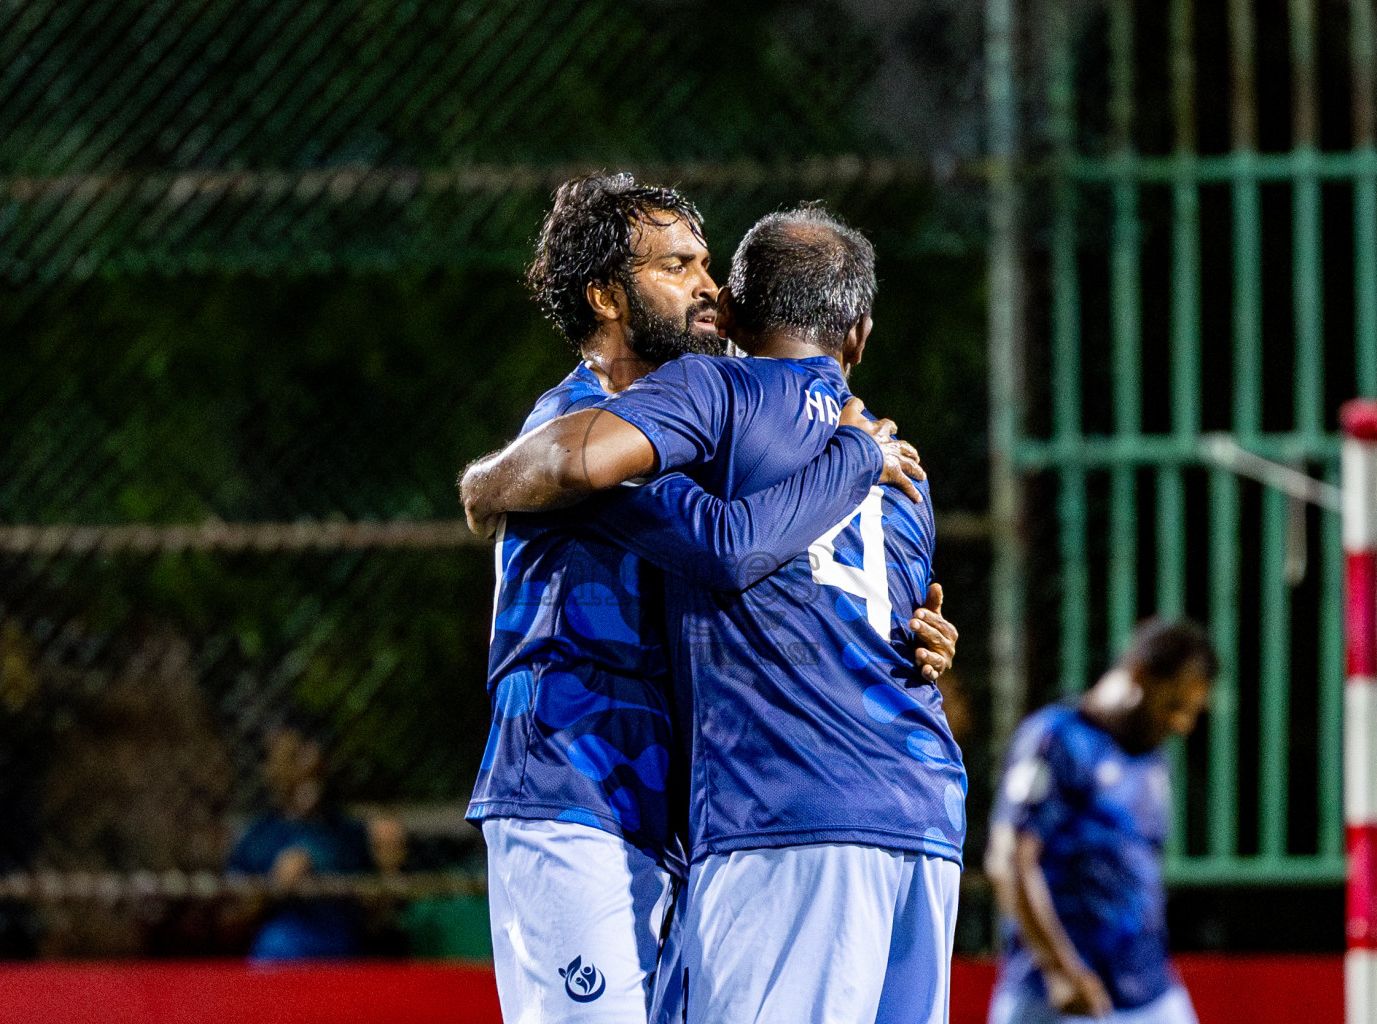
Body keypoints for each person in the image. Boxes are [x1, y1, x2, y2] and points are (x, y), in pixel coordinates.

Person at [460, 175, 958, 1024]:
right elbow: (727, 547)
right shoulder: (586, 424)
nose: (709, 286)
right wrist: (484, 483)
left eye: (707, 264)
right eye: (677, 266)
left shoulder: (711, 421)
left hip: (692, 805)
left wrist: (894, 634)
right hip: (573, 784)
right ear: (605, 296)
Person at [984, 618, 1218, 1024]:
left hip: (1149, 990)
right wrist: (1059, 970)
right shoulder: (1057, 739)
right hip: (1060, 996)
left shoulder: (1151, 756)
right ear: (1140, 675)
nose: (1181, 724)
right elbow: (1009, 860)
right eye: (1174, 706)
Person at [226, 717, 404, 960]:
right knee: (274, 945)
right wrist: (272, 888)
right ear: (269, 770)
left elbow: (377, 919)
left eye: (310, 752)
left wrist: (388, 869)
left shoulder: (348, 832)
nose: (308, 765)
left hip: (346, 948)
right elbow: (231, 920)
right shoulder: (257, 839)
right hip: (284, 951)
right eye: (293, 757)